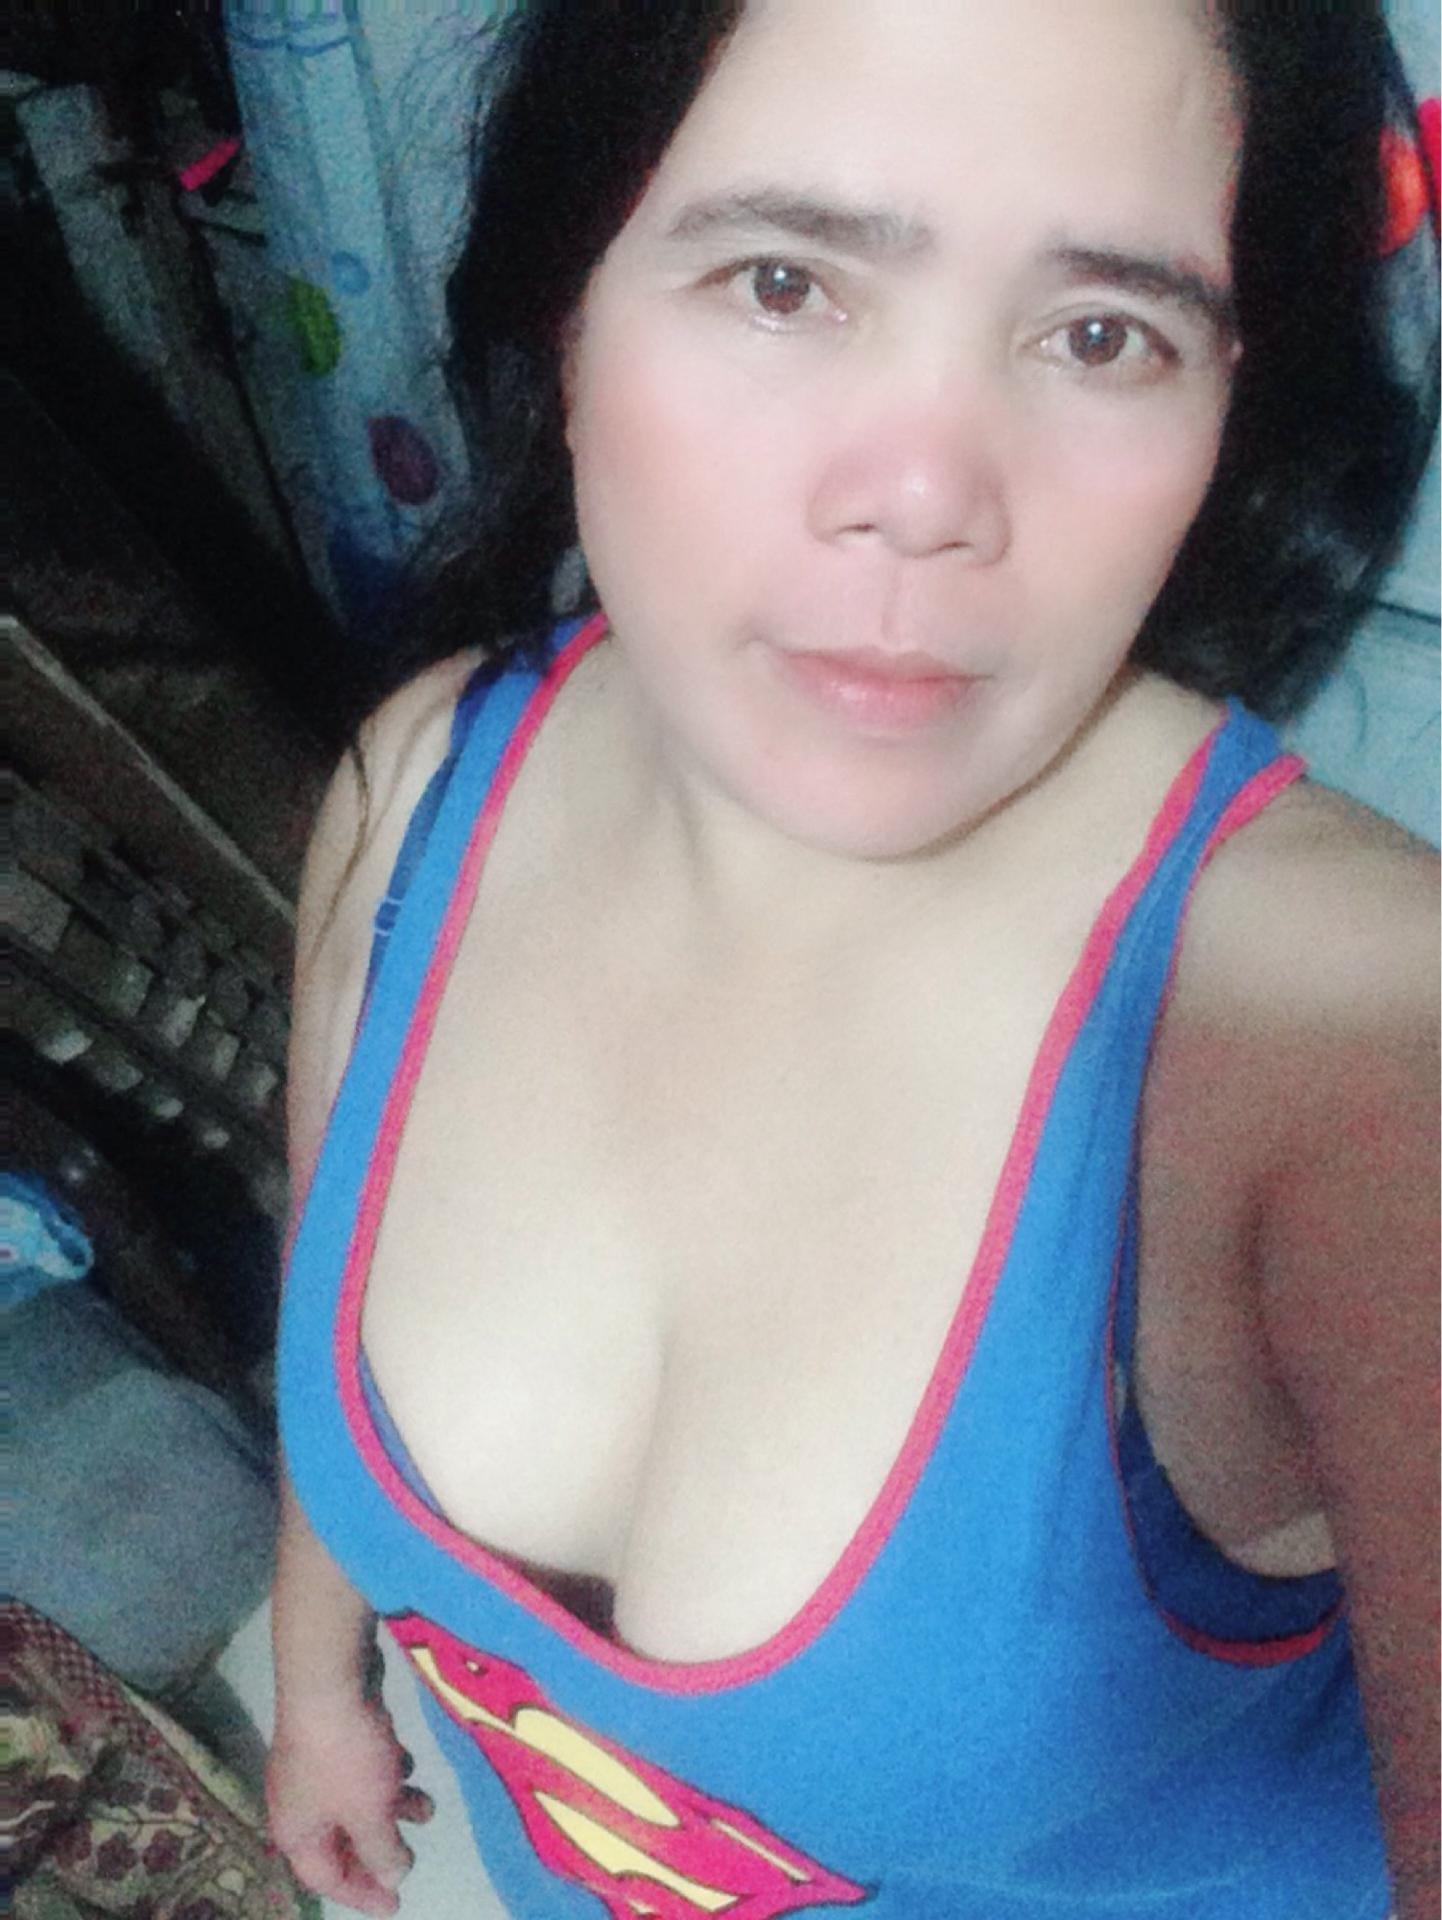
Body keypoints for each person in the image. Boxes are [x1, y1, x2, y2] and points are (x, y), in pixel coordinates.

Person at [265, 4, 1440, 1916]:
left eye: (1101, 334)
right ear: (568, 296)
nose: (923, 491)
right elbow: (329, 1288)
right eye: (783, 282)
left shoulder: (1354, 1052)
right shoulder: (422, 791)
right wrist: (323, 1679)